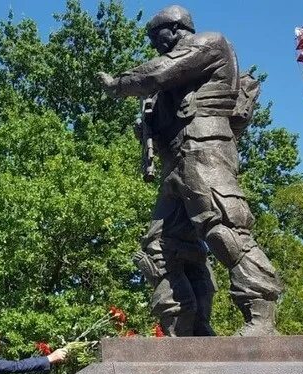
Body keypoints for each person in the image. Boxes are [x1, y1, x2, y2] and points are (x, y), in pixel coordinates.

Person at [98, 5, 281, 336]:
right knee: (161, 247)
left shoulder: (209, 43)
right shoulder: (172, 83)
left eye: (156, 37)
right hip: (176, 161)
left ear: (172, 28)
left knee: (224, 228)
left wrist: (118, 84)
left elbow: (158, 71)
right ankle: (189, 327)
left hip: (205, 147)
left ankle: (260, 314)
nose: (155, 45)